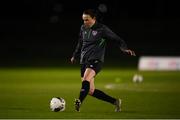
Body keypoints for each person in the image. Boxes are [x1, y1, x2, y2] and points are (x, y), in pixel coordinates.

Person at [70, 9, 136, 112]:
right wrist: (75, 55)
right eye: (83, 20)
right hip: (84, 61)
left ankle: (79, 101)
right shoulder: (83, 28)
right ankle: (115, 101)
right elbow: (80, 42)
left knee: (86, 79)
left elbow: (118, 40)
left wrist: (124, 49)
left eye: (87, 20)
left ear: (94, 19)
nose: (85, 22)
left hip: (96, 60)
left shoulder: (102, 29)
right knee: (90, 90)